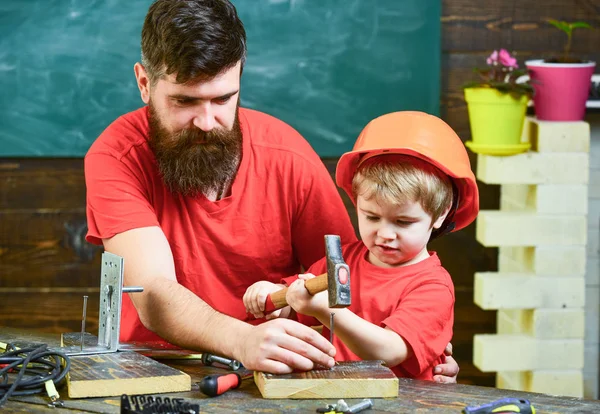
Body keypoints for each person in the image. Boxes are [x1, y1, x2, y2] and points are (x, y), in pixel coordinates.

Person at [84, 0, 459, 380]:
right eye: (185, 101)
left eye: (223, 98)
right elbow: (151, 292)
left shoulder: (289, 155)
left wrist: (419, 352)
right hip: (155, 373)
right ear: (144, 83)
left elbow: (350, 282)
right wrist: (245, 340)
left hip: (269, 380)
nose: (207, 121)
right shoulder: (116, 156)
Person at [244, 111, 479, 380]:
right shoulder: (344, 260)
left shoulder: (432, 287)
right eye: (372, 217)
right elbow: (299, 301)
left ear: (440, 214)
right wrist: (277, 297)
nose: (385, 234)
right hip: (343, 396)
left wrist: (327, 310)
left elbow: (389, 351)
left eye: (403, 222)